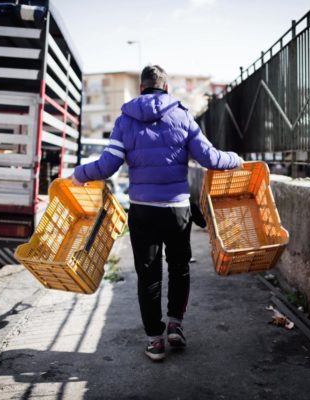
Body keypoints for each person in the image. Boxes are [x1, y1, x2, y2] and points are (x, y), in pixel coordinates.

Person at [72, 65, 242, 361]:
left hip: (143, 211)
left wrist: (80, 174)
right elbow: (209, 157)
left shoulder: (125, 120)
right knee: (179, 267)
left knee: (148, 275)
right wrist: (235, 159)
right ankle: (175, 324)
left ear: (141, 89)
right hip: (177, 211)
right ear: (165, 88)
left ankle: (155, 340)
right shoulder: (183, 116)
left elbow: (109, 164)